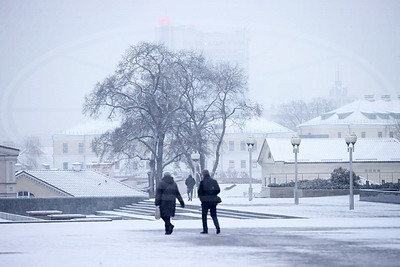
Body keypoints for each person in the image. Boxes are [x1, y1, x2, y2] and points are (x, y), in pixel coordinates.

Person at [197, 169, 221, 234]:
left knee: (204, 216)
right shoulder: (214, 181)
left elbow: (199, 192)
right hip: (213, 201)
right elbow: (218, 190)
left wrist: (202, 198)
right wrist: (213, 194)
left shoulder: (202, 182)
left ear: (203, 174)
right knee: (214, 215)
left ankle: (205, 229)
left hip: (205, 201)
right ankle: (217, 226)